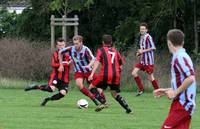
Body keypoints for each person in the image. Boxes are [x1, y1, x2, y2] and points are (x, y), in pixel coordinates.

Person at [154, 29, 196, 129]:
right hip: (181, 104)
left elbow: (190, 78)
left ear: (169, 43)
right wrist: (166, 91)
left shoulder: (180, 57)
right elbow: (183, 81)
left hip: (183, 104)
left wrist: (175, 92)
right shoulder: (180, 56)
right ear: (183, 42)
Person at [58, 35, 106, 109]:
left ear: (81, 43)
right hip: (78, 71)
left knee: (96, 87)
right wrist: (61, 65)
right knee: (79, 84)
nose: (75, 45)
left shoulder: (86, 49)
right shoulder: (71, 49)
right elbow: (60, 52)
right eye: (74, 43)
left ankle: (103, 101)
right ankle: (95, 100)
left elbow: (93, 59)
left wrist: (89, 66)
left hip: (88, 71)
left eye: (77, 43)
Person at [88, 34, 132, 113]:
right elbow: (121, 64)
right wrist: (117, 73)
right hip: (116, 75)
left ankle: (102, 102)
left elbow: (97, 61)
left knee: (91, 87)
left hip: (105, 75)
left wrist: (92, 73)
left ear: (103, 42)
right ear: (111, 42)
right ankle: (127, 108)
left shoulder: (101, 50)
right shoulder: (115, 51)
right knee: (114, 94)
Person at [24, 38, 71, 106]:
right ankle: (36, 86)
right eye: (60, 45)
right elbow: (53, 64)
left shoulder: (68, 55)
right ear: (57, 46)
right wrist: (64, 63)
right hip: (56, 76)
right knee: (51, 89)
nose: (61, 47)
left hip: (65, 79)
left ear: (65, 45)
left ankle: (47, 99)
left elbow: (71, 63)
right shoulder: (55, 54)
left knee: (63, 93)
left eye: (63, 45)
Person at [132, 22, 159, 96]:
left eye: (143, 29)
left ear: (146, 30)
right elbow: (142, 48)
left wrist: (143, 51)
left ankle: (158, 92)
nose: (142, 30)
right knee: (134, 73)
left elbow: (153, 47)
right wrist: (139, 53)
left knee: (151, 77)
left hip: (149, 61)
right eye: (141, 29)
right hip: (143, 61)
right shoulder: (141, 37)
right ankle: (141, 90)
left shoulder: (148, 37)